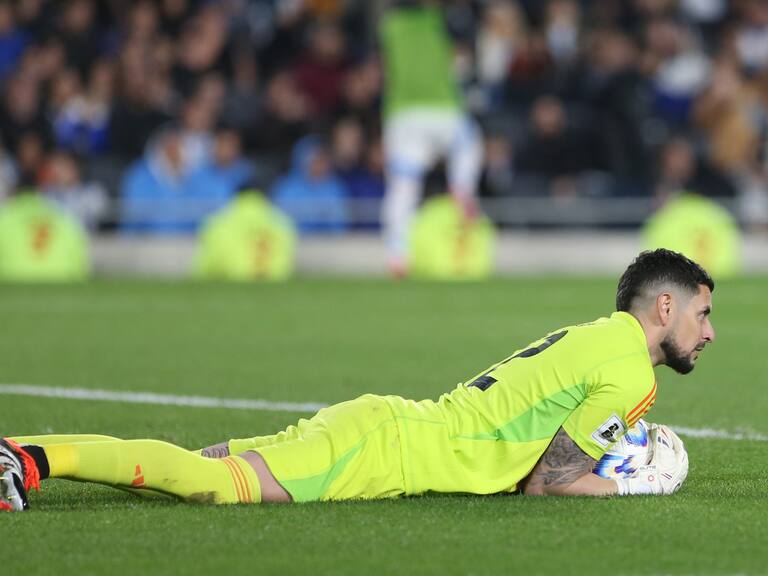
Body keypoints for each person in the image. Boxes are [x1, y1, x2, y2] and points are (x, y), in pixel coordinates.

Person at [0, 249, 713, 511]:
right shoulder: (629, 374)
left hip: (389, 426)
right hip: (385, 451)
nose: (709, 333)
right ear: (664, 306)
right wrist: (635, 482)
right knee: (209, 485)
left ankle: (21, 452)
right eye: (703, 314)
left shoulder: (596, 337)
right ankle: (31, 459)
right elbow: (549, 484)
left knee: (202, 465)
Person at [379, 1, 483, 276]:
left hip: (403, 113)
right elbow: (463, 59)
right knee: (469, 143)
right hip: (443, 108)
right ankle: (461, 187)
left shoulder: (389, 27)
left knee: (403, 186)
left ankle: (397, 255)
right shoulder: (442, 21)